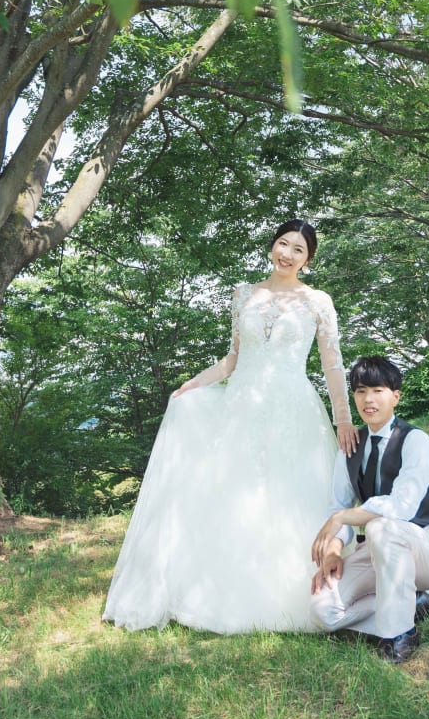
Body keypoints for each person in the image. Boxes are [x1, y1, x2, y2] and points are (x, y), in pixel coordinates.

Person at [103, 219, 358, 634]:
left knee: (289, 492)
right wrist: (194, 383)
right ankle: (219, 592)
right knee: (236, 493)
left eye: (298, 249)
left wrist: (343, 417)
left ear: (308, 260)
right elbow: (234, 358)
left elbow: (332, 365)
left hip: (294, 409)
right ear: (271, 246)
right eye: (282, 243)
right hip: (241, 405)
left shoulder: (318, 302)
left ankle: (294, 592)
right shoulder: (244, 295)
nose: (287, 254)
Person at [309, 355, 429, 664]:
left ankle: (400, 633)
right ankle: (413, 602)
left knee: (380, 526)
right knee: (324, 609)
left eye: (377, 390)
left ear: (395, 396)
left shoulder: (416, 441)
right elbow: (340, 504)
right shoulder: (351, 446)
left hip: (426, 550)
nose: (368, 399)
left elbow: (399, 507)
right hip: (377, 552)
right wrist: (334, 549)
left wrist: (340, 519)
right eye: (360, 391)